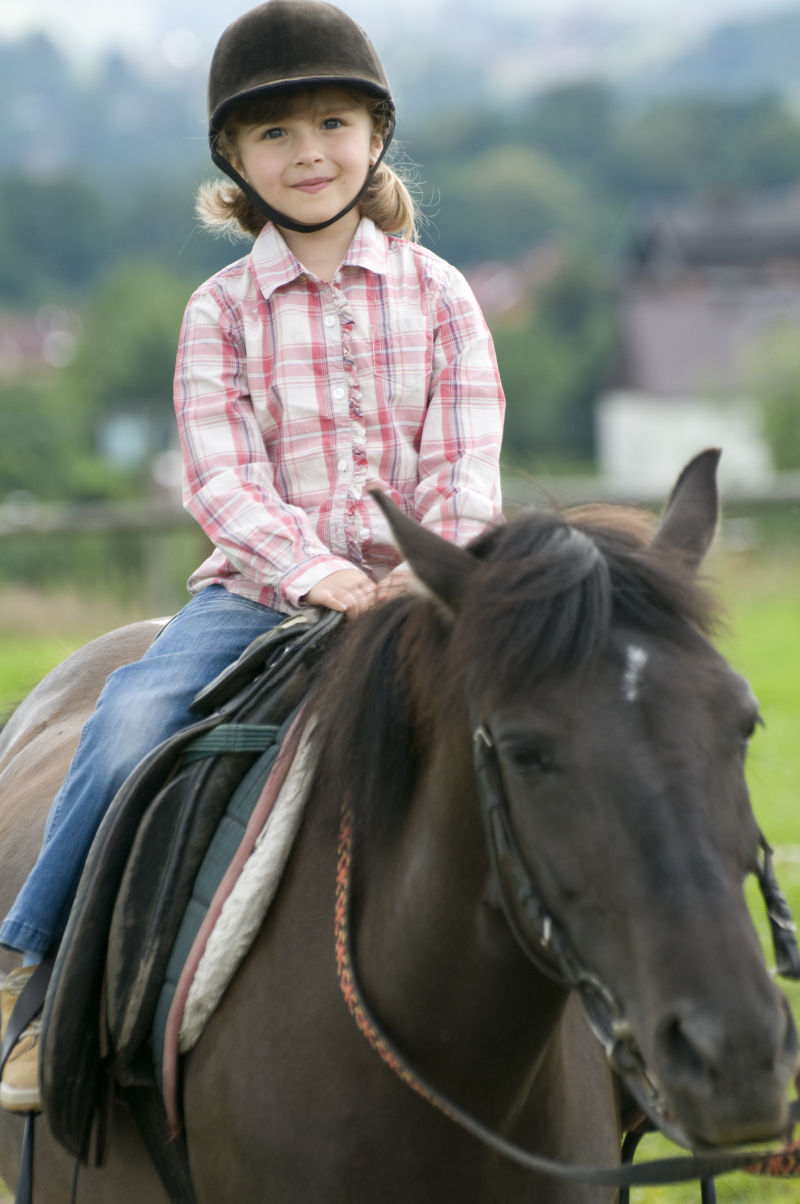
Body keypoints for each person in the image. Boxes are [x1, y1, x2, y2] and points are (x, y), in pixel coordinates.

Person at [0, 0, 505, 1112]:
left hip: (422, 589)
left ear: (375, 133)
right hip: (261, 595)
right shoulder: (217, 312)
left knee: (575, 721)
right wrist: (315, 573)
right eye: (274, 134)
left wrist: (419, 570)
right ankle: (31, 976)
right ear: (234, 157)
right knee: (131, 720)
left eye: (331, 123)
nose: (308, 152)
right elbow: (221, 481)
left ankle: (639, 1025)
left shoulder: (443, 297)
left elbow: (465, 471)